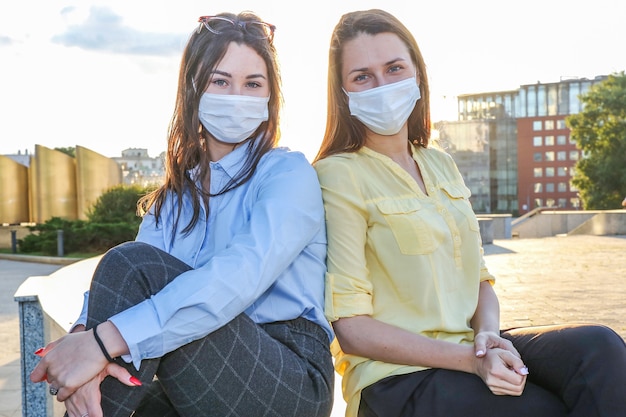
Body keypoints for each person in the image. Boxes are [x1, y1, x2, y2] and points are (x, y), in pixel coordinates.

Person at [313, 9, 626, 417]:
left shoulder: (440, 163)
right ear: (343, 92)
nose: (382, 85)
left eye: (394, 68)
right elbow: (352, 329)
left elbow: (480, 281)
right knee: (542, 408)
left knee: (598, 350)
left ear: (418, 75)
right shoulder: (336, 175)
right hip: (396, 379)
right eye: (362, 76)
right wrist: (474, 362)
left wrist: (489, 341)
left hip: (470, 347)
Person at [31, 11, 334, 417]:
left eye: (253, 84)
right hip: (203, 359)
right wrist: (84, 339)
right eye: (220, 81)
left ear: (269, 96)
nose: (237, 97)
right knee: (139, 399)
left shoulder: (287, 174)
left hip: (289, 372)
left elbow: (239, 275)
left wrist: (101, 345)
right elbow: (124, 289)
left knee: (131, 265)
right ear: (193, 89)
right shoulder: (174, 198)